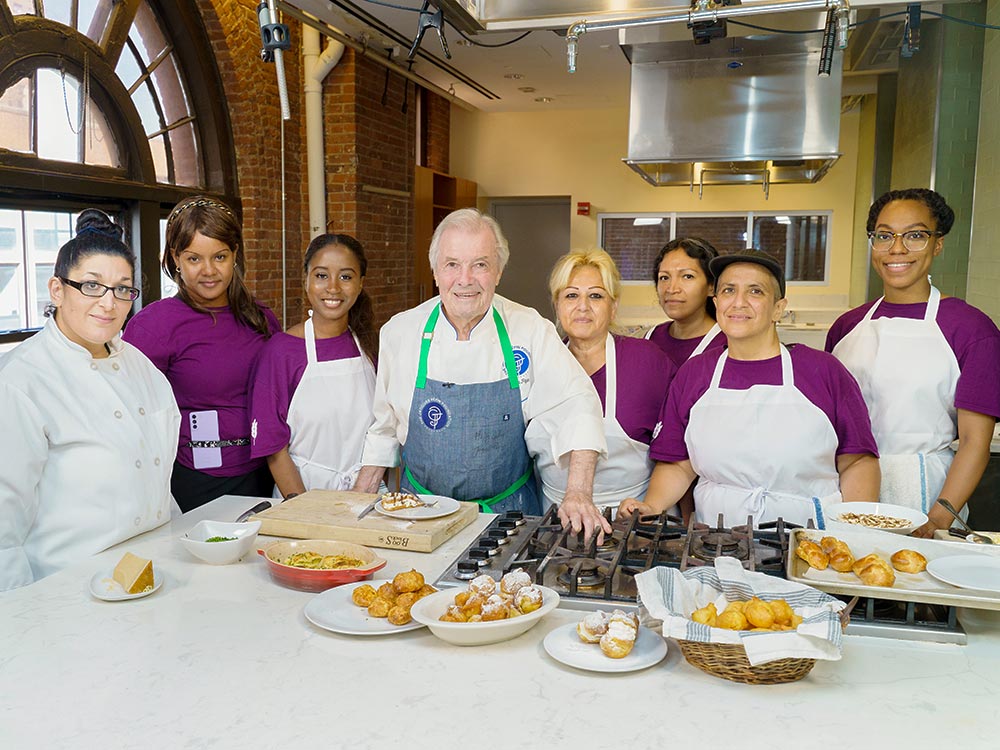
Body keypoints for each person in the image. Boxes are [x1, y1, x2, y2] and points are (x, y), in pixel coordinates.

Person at [353, 208, 611, 541]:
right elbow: (385, 426)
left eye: (480, 265)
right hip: (418, 514)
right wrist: (362, 493)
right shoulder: (400, 333)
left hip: (507, 518)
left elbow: (578, 404)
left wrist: (577, 492)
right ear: (435, 271)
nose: (465, 279)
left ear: (499, 271)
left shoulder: (530, 329)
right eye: (452, 265)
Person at [619, 249, 880, 527]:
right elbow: (678, 464)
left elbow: (857, 462)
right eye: (729, 290)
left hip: (811, 540)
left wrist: (854, 533)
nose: (739, 302)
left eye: (755, 292)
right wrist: (651, 505)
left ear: (779, 307)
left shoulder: (823, 371)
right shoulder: (694, 374)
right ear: (716, 302)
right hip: (714, 541)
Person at [0, 210, 179, 590]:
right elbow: (3, 523)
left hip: (157, 571)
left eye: (122, 289)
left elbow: (156, 480)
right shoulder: (21, 379)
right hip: (67, 588)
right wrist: (17, 617)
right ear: (57, 290)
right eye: (92, 286)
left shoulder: (141, 366)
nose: (108, 303)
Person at [827, 188, 1000, 537]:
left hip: (925, 497)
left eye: (916, 236)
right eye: (884, 235)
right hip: (845, 490)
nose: (897, 249)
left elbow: (974, 442)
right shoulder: (847, 327)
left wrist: (937, 519)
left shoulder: (971, 329)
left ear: (938, 244)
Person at [124, 196, 281, 512]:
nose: (208, 271)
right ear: (175, 258)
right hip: (190, 479)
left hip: (262, 471)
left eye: (219, 257)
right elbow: (131, 415)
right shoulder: (153, 326)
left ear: (234, 255)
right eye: (194, 259)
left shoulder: (261, 318)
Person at [526, 249, 674, 510]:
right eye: (571, 295)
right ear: (557, 305)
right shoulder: (537, 365)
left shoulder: (646, 361)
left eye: (595, 295)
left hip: (634, 518)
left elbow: (676, 447)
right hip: (552, 517)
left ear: (613, 306)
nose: (583, 306)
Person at [250, 234, 377, 499]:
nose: (333, 288)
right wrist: (305, 510)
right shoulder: (281, 351)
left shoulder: (371, 346)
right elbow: (274, 444)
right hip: (301, 495)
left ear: (360, 283)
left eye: (345, 277)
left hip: (367, 496)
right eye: (321, 276)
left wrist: (365, 494)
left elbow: (386, 429)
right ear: (305, 280)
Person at [645, 237, 727, 368]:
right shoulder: (650, 339)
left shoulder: (726, 345)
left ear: (712, 286)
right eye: (664, 277)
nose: (672, 289)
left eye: (687, 276)